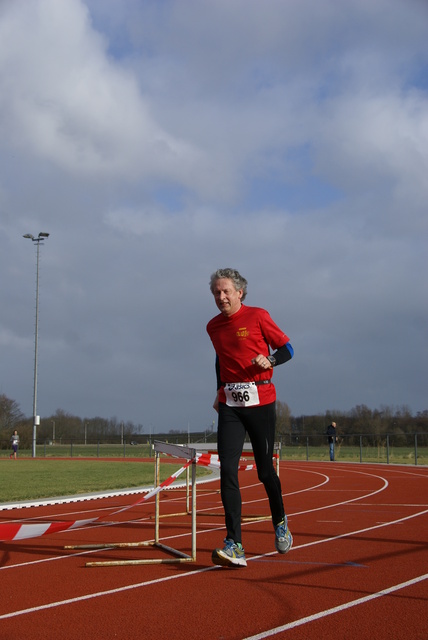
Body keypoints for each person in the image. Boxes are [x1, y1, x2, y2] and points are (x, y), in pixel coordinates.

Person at [207, 268, 294, 567]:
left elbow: (288, 349)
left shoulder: (258, 316)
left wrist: (269, 359)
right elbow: (221, 359)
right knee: (227, 470)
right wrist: (220, 391)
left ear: (240, 292)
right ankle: (235, 545)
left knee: (264, 471)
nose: (221, 297)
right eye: (216, 292)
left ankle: (280, 520)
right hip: (230, 404)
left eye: (226, 291)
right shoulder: (213, 327)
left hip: (260, 400)